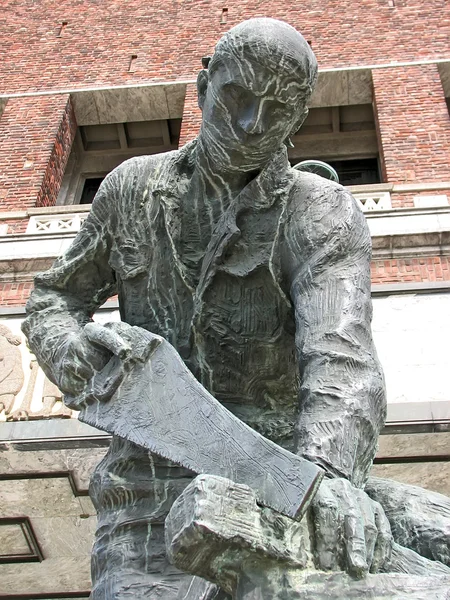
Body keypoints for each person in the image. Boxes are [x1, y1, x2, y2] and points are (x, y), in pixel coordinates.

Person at [22, 18, 448, 600]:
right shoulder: (127, 190)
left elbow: (340, 361)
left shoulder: (320, 212)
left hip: (285, 477)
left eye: (276, 110)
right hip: (148, 494)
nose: (251, 125)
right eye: (236, 98)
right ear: (203, 87)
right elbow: (54, 299)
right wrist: (75, 349)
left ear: (300, 117)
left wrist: (328, 473)